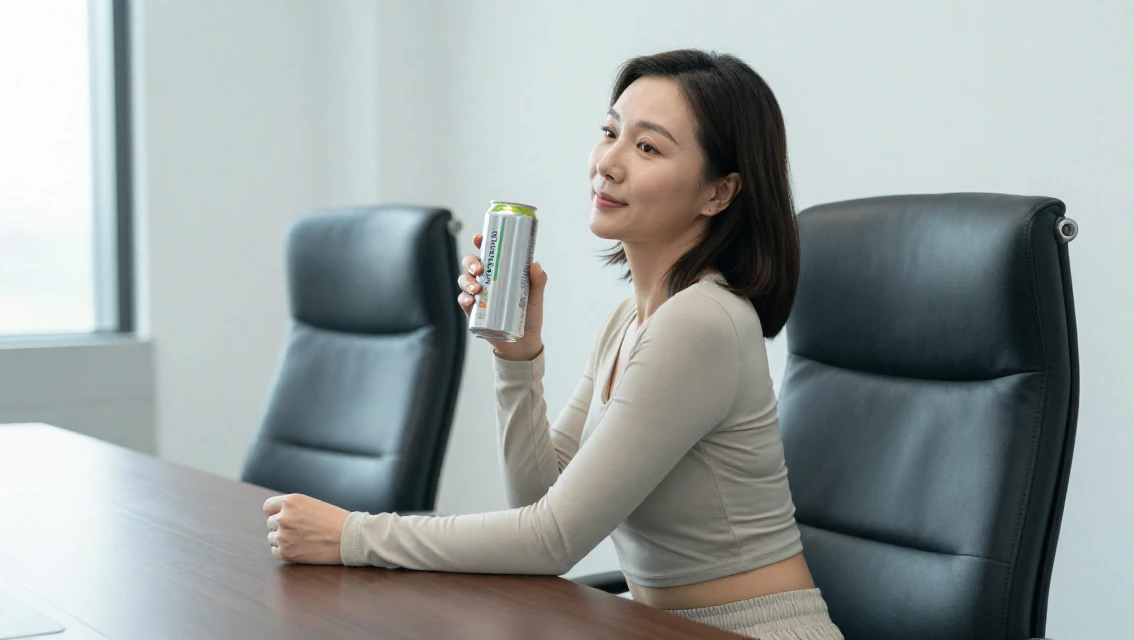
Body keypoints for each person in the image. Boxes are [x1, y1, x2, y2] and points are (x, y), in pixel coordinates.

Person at [261, 49, 843, 640]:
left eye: (647, 147)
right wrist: (516, 357)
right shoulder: (630, 319)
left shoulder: (703, 322)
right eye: (610, 132)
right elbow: (538, 498)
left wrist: (353, 536)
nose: (608, 163)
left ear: (718, 193)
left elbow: (551, 538)